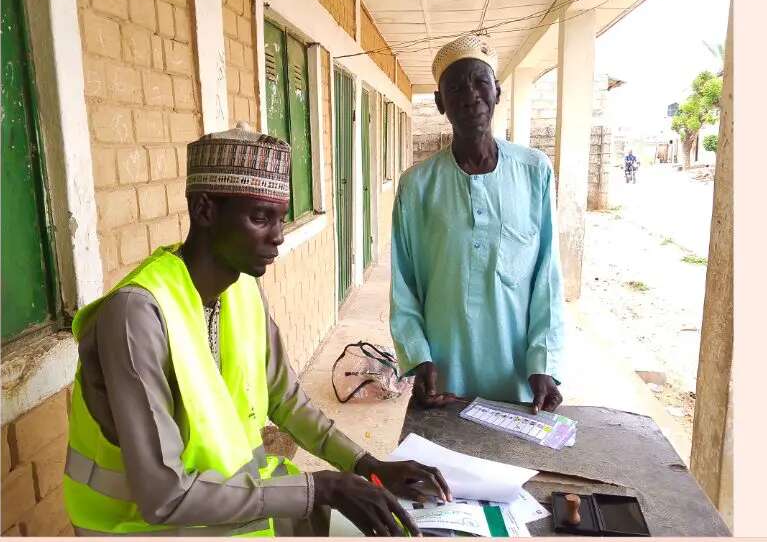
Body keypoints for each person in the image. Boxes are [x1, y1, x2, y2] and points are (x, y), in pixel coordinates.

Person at [63, 124, 451, 537]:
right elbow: (163, 497)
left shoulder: (243, 290)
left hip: (230, 511)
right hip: (143, 528)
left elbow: (285, 399)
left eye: (281, 218)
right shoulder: (136, 316)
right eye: (260, 217)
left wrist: (365, 465)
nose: (279, 237)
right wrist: (317, 489)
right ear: (205, 211)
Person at [390, 35, 566, 414]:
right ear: (439, 103)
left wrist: (544, 363)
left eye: (480, 82)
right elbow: (403, 286)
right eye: (455, 87)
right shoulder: (417, 187)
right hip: (443, 379)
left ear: (497, 92)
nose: (470, 96)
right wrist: (418, 359)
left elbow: (546, 277)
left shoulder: (534, 172)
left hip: (518, 378)